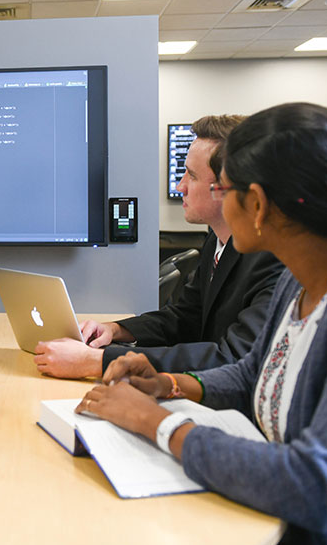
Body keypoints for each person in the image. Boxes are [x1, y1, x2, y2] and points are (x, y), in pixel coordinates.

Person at [79, 103, 327, 545]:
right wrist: (169, 383)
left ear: (258, 204)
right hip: (279, 526)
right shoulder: (299, 273)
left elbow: (318, 486)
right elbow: (253, 374)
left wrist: (156, 422)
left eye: (224, 189)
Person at [35, 115, 283, 378]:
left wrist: (98, 361)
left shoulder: (272, 258)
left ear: (230, 188)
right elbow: (186, 317)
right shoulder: (217, 240)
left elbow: (231, 357)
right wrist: (116, 330)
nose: (180, 186)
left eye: (193, 175)